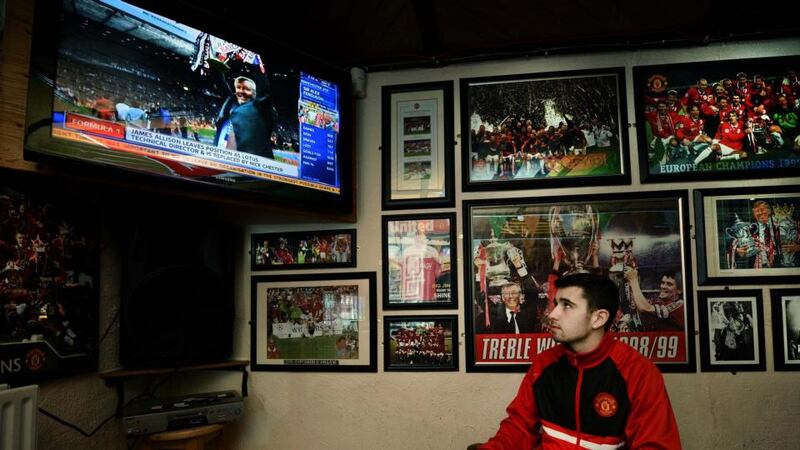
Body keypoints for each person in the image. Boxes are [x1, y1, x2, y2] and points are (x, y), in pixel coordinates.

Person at [478, 273, 681, 449]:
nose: (552, 314)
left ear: (599, 318)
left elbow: (655, 445)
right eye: (556, 304)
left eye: (567, 306)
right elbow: (518, 428)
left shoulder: (638, 373)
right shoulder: (544, 364)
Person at [211, 59, 277, 158]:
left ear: (254, 93)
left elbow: (264, 94)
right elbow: (221, 83)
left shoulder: (260, 111)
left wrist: (256, 66)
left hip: (246, 160)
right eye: (239, 87)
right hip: (219, 156)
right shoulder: (231, 101)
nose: (241, 92)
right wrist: (215, 64)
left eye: (246, 89)